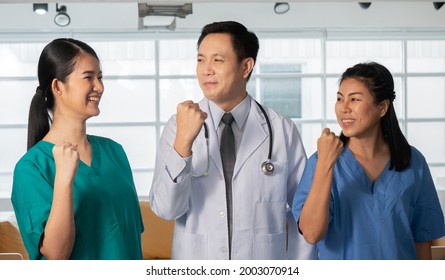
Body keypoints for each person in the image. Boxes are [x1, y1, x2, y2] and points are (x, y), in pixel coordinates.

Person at [149, 21, 316, 260]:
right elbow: (166, 209)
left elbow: (303, 215)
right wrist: (183, 143)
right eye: (200, 60)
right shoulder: (177, 126)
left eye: (217, 60)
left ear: (246, 66)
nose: (206, 69)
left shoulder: (281, 129)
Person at [292, 61, 445, 259]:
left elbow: (422, 239)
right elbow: (311, 233)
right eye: (340, 99)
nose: (343, 108)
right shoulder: (320, 161)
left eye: (354, 99)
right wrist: (325, 164)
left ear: (382, 107)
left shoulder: (413, 162)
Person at [11, 38, 143, 260]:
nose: (99, 87)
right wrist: (64, 179)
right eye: (88, 77)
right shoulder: (31, 168)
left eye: (100, 77)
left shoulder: (115, 152)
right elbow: (56, 254)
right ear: (58, 87)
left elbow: (129, 236)